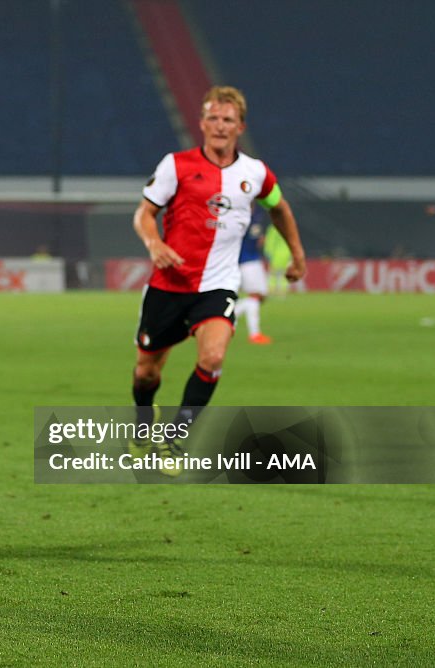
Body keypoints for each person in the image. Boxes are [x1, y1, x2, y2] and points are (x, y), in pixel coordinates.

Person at [128, 86, 306, 473]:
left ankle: (176, 438)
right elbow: (144, 213)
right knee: (146, 371)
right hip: (168, 286)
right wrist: (154, 242)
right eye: (213, 117)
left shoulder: (255, 173)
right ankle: (144, 419)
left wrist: (297, 253)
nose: (220, 125)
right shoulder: (175, 165)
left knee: (213, 356)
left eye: (228, 119)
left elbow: (280, 208)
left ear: (239, 126)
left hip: (218, 285)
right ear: (202, 123)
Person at [234, 206, 271, 344]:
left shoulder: (257, 215)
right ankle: (254, 334)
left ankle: (230, 316)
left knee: (259, 297)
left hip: (249, 260)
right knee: (256, 296)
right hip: (247, 261)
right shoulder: (244, 217)